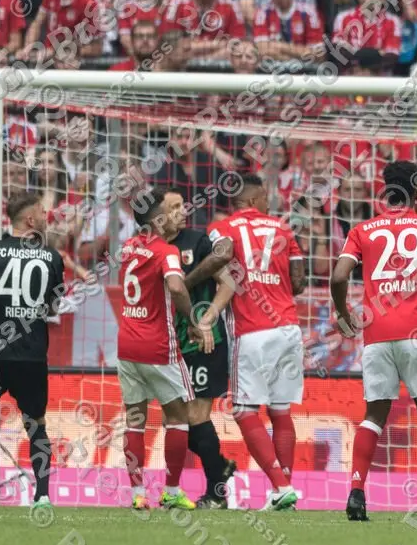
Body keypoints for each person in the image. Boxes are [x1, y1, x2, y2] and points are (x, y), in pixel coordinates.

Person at [331, 161, 417, 523]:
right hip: (416, 332)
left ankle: (356, 493)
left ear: (384, 191)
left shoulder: (362, 229)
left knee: (374, 416)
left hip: (375, 335)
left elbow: (340, 274)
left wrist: (343, 314)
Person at [196, 175, 308, 511]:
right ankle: (282, 489)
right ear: (256, 199)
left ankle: (281, 485)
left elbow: (219, 258)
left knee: (244, 410)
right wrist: (275, 285)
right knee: (280, 410)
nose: (269, 205)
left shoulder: (221, 228)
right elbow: (299, 280)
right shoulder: (283, 229)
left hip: (252, 328)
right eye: (267, 200)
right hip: (288, 327)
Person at [115, 187, 213, 511]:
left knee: (135, 420)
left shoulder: (128, 247)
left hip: (127, 345)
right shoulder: (165, 251)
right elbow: (174, 284)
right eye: (167, 211)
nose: (173, 215)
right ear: (156, 218)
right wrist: (194, 322)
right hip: (158, 346)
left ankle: (137, 494)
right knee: (179, 415)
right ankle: (171, 490)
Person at [0, 193, 57, 510]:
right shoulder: (52, 257)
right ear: (30, 220)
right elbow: (52, 306)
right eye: (42, 213)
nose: (46, 217)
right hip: (32, 356)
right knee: (36, 425)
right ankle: (42, 496)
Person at [161, 191, 237, 508]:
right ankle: (220, 468)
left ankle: (216, 492)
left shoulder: (198, 241)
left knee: (194, 415)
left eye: (183, 205)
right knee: (174, 422)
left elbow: (229, 283)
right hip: (167, 345)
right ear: (158, 215)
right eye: (175, 207)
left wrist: (207, 319)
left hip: (205, 341)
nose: (183, 211)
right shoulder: (154, 249)